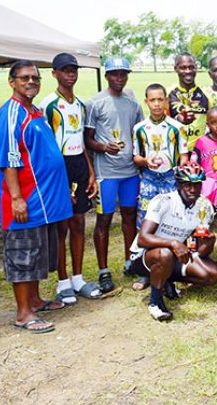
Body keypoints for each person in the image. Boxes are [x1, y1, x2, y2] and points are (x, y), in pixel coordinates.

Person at [0, 60, 73, 334]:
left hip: (44, 202)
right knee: (23, 255)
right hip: (25, 199)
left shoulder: (35, 111)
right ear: (12, 81)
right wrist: (16, 198)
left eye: (35, 78)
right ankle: (23, 313)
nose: (31, 82)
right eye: (25, 78)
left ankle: (36, 301)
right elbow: (9, 158)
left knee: (38, 252)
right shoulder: (11, 113)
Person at [38, 53, 100, 305]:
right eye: (64, 70)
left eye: (73, 69)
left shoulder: (81, 105)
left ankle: (78, 278)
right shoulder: (48, 104)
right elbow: (47, 144)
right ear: (54, 73)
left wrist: (91, 172)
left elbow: (82, 142)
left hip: (79, 165)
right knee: (61, 226)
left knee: (79, 224)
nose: (70, 74)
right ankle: (62, 282)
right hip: (58, 166)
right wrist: (57, 178)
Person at [129, 162, 217, 321]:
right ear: (178, 184)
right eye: (187, 185)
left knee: (213, 274)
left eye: (197, 185)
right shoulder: (163, 201)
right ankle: (155, 302)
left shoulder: (204, 206)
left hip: (175, 255)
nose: (192, 190)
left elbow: (201, 252)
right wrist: (172, 242)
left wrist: (209, 243)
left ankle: (167, 281)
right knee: (165, 254)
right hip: (145, 257)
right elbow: (143, 238)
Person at [84, 57, 145, 294]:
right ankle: (103, 271)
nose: (119, 78)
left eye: (123, 74)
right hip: (106, 173)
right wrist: (103, 147)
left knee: (129, 216)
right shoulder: (95, 103)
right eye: (114, 74)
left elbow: (139, 134)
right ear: (107, 75)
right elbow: (87, 139)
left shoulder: (133, 104)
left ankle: (131, 261)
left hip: (130, 172)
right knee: (104, 220)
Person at [132, 83, 189, 227]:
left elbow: (184, 156)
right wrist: (146, 161)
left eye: (160, 99)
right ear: (146, 102)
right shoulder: (139, 128)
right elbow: (135, 158)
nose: (156, 104)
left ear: (166, 101)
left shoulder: (177, 127)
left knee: (172, 219)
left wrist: (181, 175)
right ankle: (144, 249)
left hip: (171, 179)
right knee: (145, 220)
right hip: (149, 179)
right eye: (152, 100)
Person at [168, 52, 217, 150]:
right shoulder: (168, 94)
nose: (188, 71)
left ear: (196, 68)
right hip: (176, 150)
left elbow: (214, 122)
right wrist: (178, 119)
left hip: (201, 150)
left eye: (191, 67)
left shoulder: (208, 94)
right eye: (183, 68)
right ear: (175, 69)